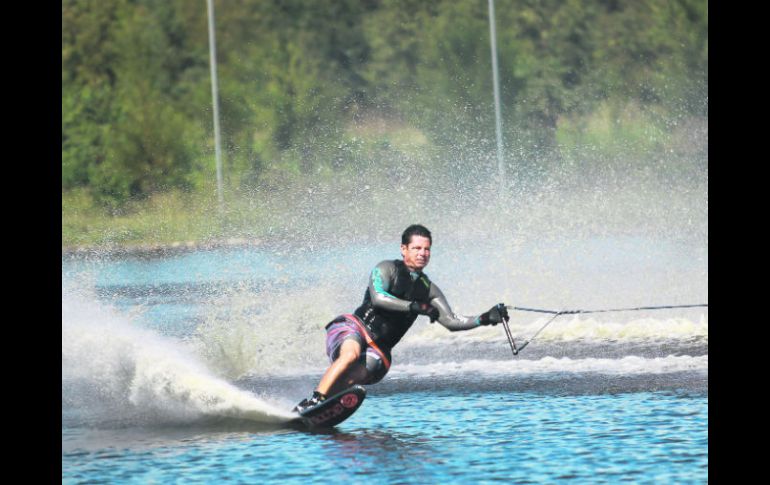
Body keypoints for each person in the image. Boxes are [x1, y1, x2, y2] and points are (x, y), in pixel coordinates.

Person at [294, 224, 509, 412]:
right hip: (354, 328)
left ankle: (324, 407)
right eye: (416, 248)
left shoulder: (429, 290)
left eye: (426, 249)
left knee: (358, 376)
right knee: (351, 355)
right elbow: (379, 298)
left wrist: (485, 318)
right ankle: (314, 400)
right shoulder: (386, 269)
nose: (422, 253)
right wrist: (414, 306)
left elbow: (451, 321)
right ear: (403, 249)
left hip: (379, 348)